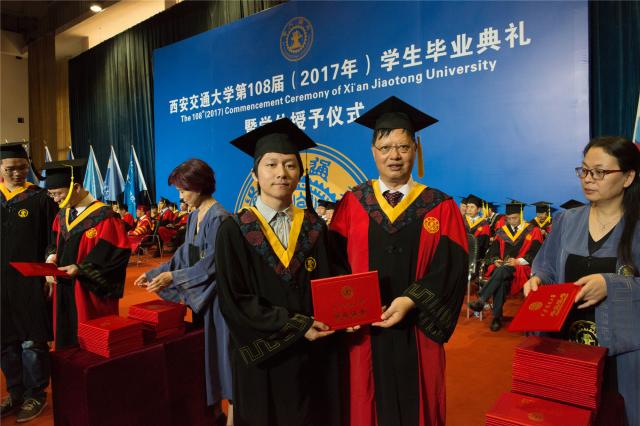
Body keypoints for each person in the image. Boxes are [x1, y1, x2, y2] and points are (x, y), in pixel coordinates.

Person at [329, 96, 468, 426]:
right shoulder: (352, 203)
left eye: (403, 147)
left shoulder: (439, 206)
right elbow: (334, 264)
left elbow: (451, 268)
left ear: (415, 150)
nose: (394, 155)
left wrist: (411, 300)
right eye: (386, 147)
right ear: (373, 151)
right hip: (365, 333)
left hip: (418, 330)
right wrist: (348, 308)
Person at [216, 118, 342, 426]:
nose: (281, 173)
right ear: (255, 175)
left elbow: (331, 281)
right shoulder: (234, 229)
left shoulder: (314, 227)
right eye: (271, 164)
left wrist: (346, 312)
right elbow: (234, 300)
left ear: (300, 174)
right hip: (263, 357)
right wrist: (296, 325)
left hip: (312, 355)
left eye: (290, 165)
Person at [523, 136, 640, 425]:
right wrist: (537, 280)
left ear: (628, 177)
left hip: (622, 356)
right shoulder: (567, 220)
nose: (588, 179)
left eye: (600, 172)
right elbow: (547, 267)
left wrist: (611, 284)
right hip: (568, 347)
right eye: (584, 170)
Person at [134, 159, 232, 424]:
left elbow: (212, 265)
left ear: (199, 186)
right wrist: (154, 273)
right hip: (202, 301)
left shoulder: (220, 218)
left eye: (183, 190)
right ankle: (214, 414)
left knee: (223, 362)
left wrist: (172, 277)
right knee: (206, 359)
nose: (180, 196)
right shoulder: (195, 216)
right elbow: (184, 256)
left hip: (219, 303)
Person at [43, 159, 131, 349]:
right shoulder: (62, 215)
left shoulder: (105, 217)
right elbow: (53, 242)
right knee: (66, 342)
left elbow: (116, 254)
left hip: (88, 291)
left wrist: (81, 269)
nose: (55, 199)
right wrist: (51, 258)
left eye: (58, 193)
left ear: (76, 187)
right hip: (63, 288)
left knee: (90, 345)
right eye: (52, 194)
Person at [0, 143, 57, 422]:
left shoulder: (40, 199)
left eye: (23, 168)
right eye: (11, 169)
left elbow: (52, 239)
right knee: (4, 341)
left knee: (32, 341)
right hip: (0, 286)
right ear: (0, 169)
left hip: (29, 282)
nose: (18, 173)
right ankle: (16, 392)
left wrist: (48, 270)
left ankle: (36, 393)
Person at [468, 201, 543, 331]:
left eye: (514, 218)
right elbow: (493, 251)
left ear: (521, 215)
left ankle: (483, 300)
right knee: (501, 277)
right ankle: (496, 317)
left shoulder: (533, 231)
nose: (511, 221)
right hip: (503, 269)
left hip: (522, 268)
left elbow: (536, 252)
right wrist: (495, 260)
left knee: (501, 272)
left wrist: (518, 261)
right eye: (508, 219)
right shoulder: (502, 232)